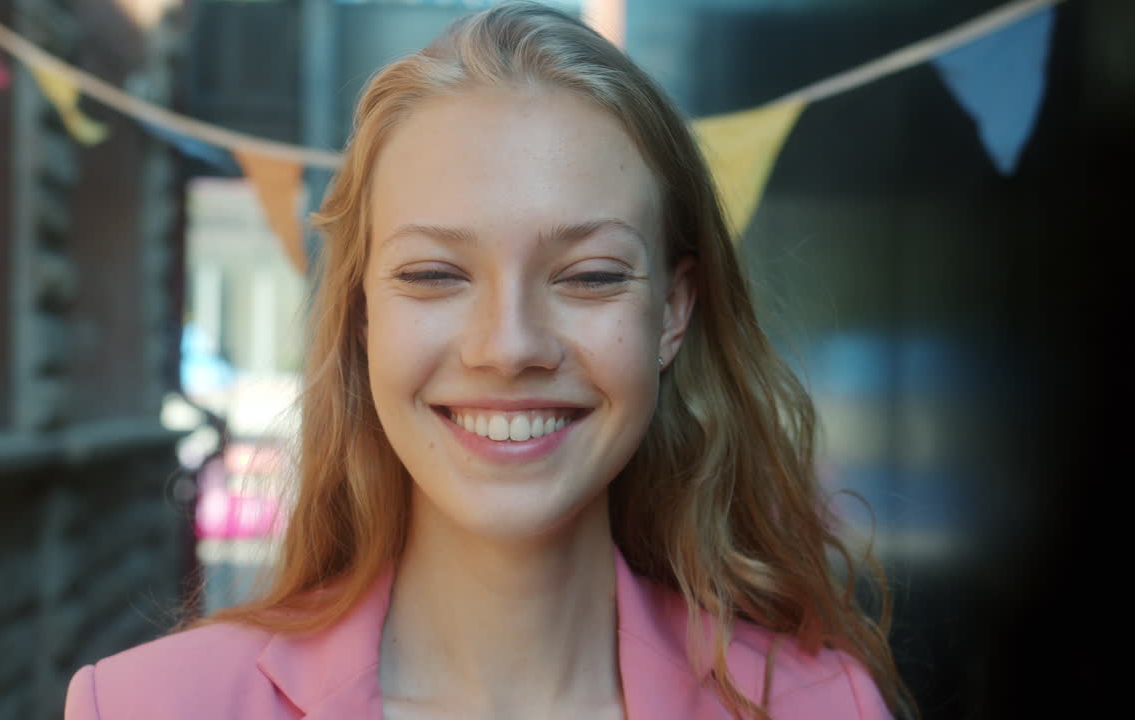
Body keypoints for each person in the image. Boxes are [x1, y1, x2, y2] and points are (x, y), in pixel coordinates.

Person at [66, 3, 915, 718]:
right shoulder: (145, 706)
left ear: (674, 312)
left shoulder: (820, 705)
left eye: (588, 277)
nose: (509, 347)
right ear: (363, 312)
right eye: (435, 275)